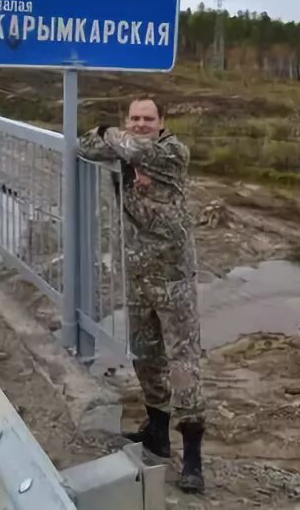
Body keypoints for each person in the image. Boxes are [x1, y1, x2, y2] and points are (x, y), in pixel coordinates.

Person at [77, 97, 206, 494]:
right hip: (137, 277)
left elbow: (125, 146)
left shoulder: (173, 152)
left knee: (183, 363)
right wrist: (105, 138)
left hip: (173, 279)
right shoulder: (126, 147)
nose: (140, 124)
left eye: (148, 118)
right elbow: (84, 145)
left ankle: (194, 459)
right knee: (146, 356)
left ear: (162, 122)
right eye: (134, 118)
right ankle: (157, 435)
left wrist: (108, 133)